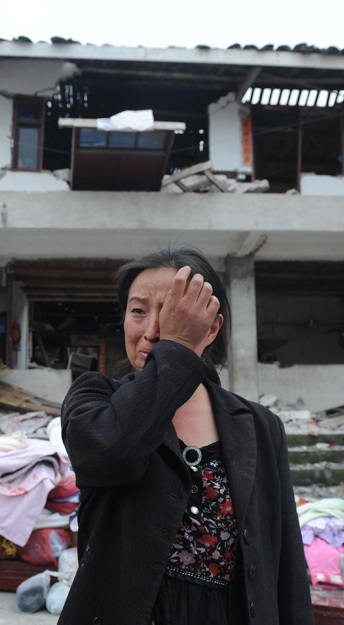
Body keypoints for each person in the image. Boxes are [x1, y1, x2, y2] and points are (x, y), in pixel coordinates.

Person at [60, 247, 313, 625]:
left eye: (172, 313)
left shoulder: (259, 426)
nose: (151, 331)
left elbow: (286, 561)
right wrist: (178, 347)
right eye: (138, 310)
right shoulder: (96, 400)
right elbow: (112, 453)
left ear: (211, 327)